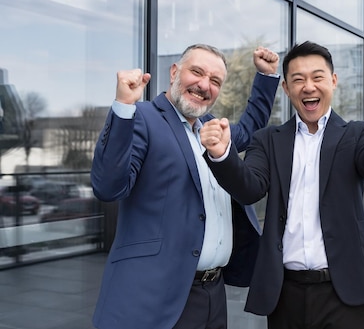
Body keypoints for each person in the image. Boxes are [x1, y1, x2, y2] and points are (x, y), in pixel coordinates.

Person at [200, 41, 364, 329]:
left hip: (344, 292)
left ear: (333, 82)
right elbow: (250, 188)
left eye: (317, 77)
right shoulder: (268, 139)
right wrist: (223, 154)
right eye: (298, 80)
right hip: (285, 292)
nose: (308, 86)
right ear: (286, 88)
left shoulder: (355, 134)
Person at [90, 44, 280, 329]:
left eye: (215, 81)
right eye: (197, 72)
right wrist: (123, 108)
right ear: (175, 72)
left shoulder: (211, 127)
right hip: (154, 296)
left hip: (213, 294)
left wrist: (265, 76)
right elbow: (108, 186)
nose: (205, 85)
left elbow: (250, 129)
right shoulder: (142, 117)